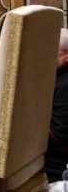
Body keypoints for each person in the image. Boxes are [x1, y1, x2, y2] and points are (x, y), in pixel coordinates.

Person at [45, 28, 68, 182]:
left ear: (66, 55)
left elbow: (59, 132)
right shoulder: (56, 74)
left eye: (51, 52)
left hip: (57, 161)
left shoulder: (65, 84)